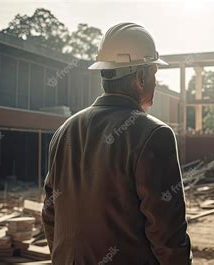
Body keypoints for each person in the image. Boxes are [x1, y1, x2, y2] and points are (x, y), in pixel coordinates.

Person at [42, 22, 192, 265]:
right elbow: (168, 237)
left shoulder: (64, 131)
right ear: (141, 77)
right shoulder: (154, 134)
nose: (156, 82)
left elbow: (51, 215)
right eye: (154, 73)